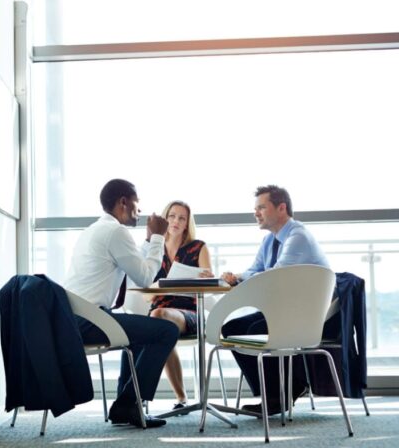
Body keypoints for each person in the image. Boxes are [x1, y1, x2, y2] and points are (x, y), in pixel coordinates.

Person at [63, 179, 180, 429]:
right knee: (166, 331)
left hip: (76, 318)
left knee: (139, 332)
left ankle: (127, 405)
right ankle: (129, 403)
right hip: (89, 320)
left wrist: (150, 240)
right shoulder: (115, 232)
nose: (140, 209)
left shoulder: (98, 230)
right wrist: (158, 237)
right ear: (124, 202)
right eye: (137, 202)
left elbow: (134, 263)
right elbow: (146, 276)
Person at [220, 185, 330, 416]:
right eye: (255, 208)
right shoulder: (270, 240)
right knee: (232, 329)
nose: (256, 213)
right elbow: (256, 270)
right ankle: (279, 392)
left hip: (305, 315)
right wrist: (238, 276)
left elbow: (276, 276)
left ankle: (282, 393)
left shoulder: (297, 236)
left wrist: (244, 277)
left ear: (281, 208)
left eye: (261, 207)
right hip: (282, 310)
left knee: (256, 329)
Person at [145, 200, 213, 412]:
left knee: (159, 317)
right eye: (172, 216)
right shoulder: (153, 249)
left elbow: (208, 287)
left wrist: (206, 278)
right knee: (159, 318)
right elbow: (146, 296)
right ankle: (179, 397)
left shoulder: (198, 247)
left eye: (181, 218)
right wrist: (159, 286)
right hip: (159, 310)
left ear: (187, 224)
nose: (175, 221)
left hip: (190, 313)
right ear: (164, 219)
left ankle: (176, 397)